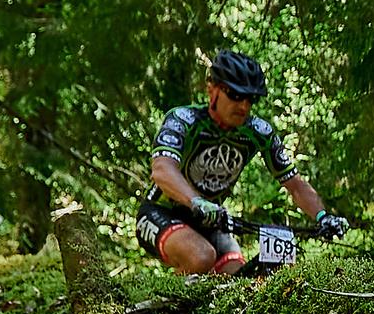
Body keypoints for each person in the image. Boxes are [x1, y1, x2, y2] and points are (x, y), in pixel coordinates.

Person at [139, 50, 351, 276]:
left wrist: (323, 216)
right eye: (235, 95)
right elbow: (162, 170)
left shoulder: (259, 132)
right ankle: (171, 303)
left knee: (239, 278)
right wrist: (196, 201)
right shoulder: (183, 119)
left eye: (251, 99)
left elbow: (294, 183)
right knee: (200, 257)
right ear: (212, 90)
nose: (244, 106)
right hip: (160, 213)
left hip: (211, 221)